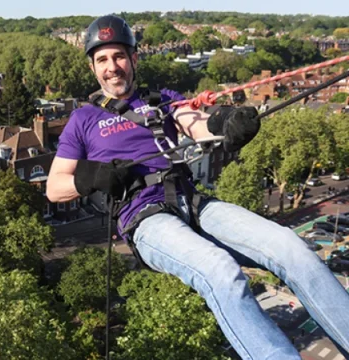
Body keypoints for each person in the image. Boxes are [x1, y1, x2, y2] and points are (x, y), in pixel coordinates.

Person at [46, 14, 349, 360]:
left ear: (133, 59)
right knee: (220, 271)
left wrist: (226, 123)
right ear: (93, 69)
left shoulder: (162, 100)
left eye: (118, 56)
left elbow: (197, 124)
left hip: (195, 203)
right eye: (102, 59)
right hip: (146, 219)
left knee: (291, 248)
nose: (112, 67)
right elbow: (54, 188)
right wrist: (92, 178)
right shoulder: (83, 120)